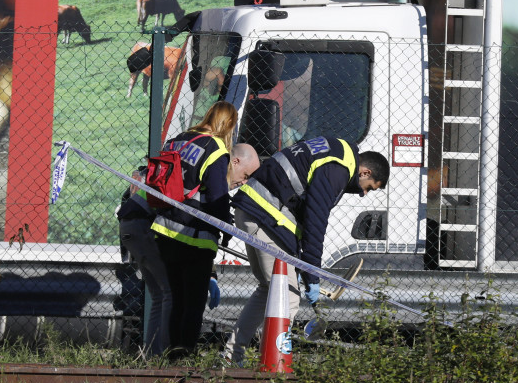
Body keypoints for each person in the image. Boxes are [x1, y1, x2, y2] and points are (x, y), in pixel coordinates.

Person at [223, 136, 389, 365]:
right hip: (264, 215)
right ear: (365, 173)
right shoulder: (338, 169)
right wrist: (312, 276)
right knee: (288, 298)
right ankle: (273, 365)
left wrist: (304, 267)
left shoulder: (335, 151)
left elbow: (301, 207)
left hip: (254, 210)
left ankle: (232, 357)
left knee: (268, 290)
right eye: (369, 188)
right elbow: (315, 221)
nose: (364, 194)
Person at [151, 101, 259, 357]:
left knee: (176, 298)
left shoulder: (179, 140)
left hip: (165, 228)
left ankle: (171, 354)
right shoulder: (215, 149)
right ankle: (185, 353)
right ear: (229, 124)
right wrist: (226, 228)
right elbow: (217, 197)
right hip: (195, 236)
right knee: (194, 302)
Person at [116, 167, 172, 356]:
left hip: (132, 225)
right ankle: (167, 356)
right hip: (145, 224)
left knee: (158, 295)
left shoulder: (167, 165)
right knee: (169, 292)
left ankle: (153, 355)